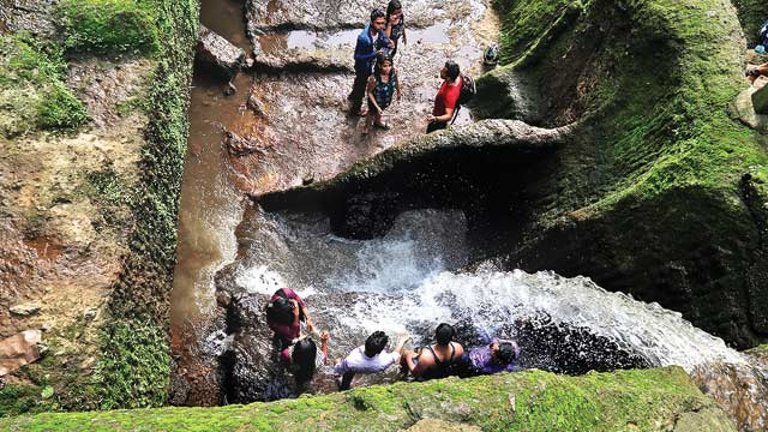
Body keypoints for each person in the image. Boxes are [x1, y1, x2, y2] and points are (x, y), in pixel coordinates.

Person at [334, 331, 410, 390]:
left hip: (354, 366)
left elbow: (338, 370)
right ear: (380, 351)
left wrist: (337, 363)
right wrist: (402, 340)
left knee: (345, 372)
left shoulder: (351, 360)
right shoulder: (382, 362)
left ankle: (344, 388)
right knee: (388, 345)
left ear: (366, 343)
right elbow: (395, 354)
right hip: (373, 368)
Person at [348, 9, 390, 117]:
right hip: (363, 67)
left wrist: (387, 43)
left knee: (361, 85)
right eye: (378, 23)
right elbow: (357, 57)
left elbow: (383, 40)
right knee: (360, 88)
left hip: (374, 65)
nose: (381, 26)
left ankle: (352, 96)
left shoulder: (380, 31)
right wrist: (374, 54)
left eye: (382, 23)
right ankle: (355, 110)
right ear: (372, 22)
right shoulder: (363, 38)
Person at [363, 53, 401, 134]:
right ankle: (366, 126)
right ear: (379, 66)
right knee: (371, 113)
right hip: (375, 100)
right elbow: (369, 92)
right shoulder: (374, 79)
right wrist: (377, 107)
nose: (388, 68)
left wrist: (398, 92)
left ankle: (377, 121)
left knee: (381, 110)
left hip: (386, 98)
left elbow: (396, 81)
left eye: (389, 65)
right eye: (385, 66)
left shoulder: (394, 71)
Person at [426, 61, 462, 133]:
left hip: (438, 121)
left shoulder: (449, 95)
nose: (441, 71)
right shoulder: (458, 78)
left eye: (443, 71)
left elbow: (448, 116)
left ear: (448, 78)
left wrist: (435, 118)